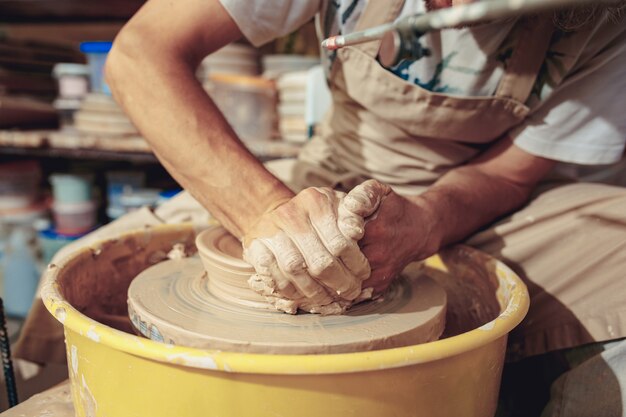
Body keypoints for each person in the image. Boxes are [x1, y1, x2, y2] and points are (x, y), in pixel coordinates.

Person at [15, 0, 626, 415]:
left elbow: (510, 175)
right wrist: (262, 211)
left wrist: (427, 223)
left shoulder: (605, 20)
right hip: (325, 175)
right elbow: (140, 54)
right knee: (84, 273)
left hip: (482, 203)